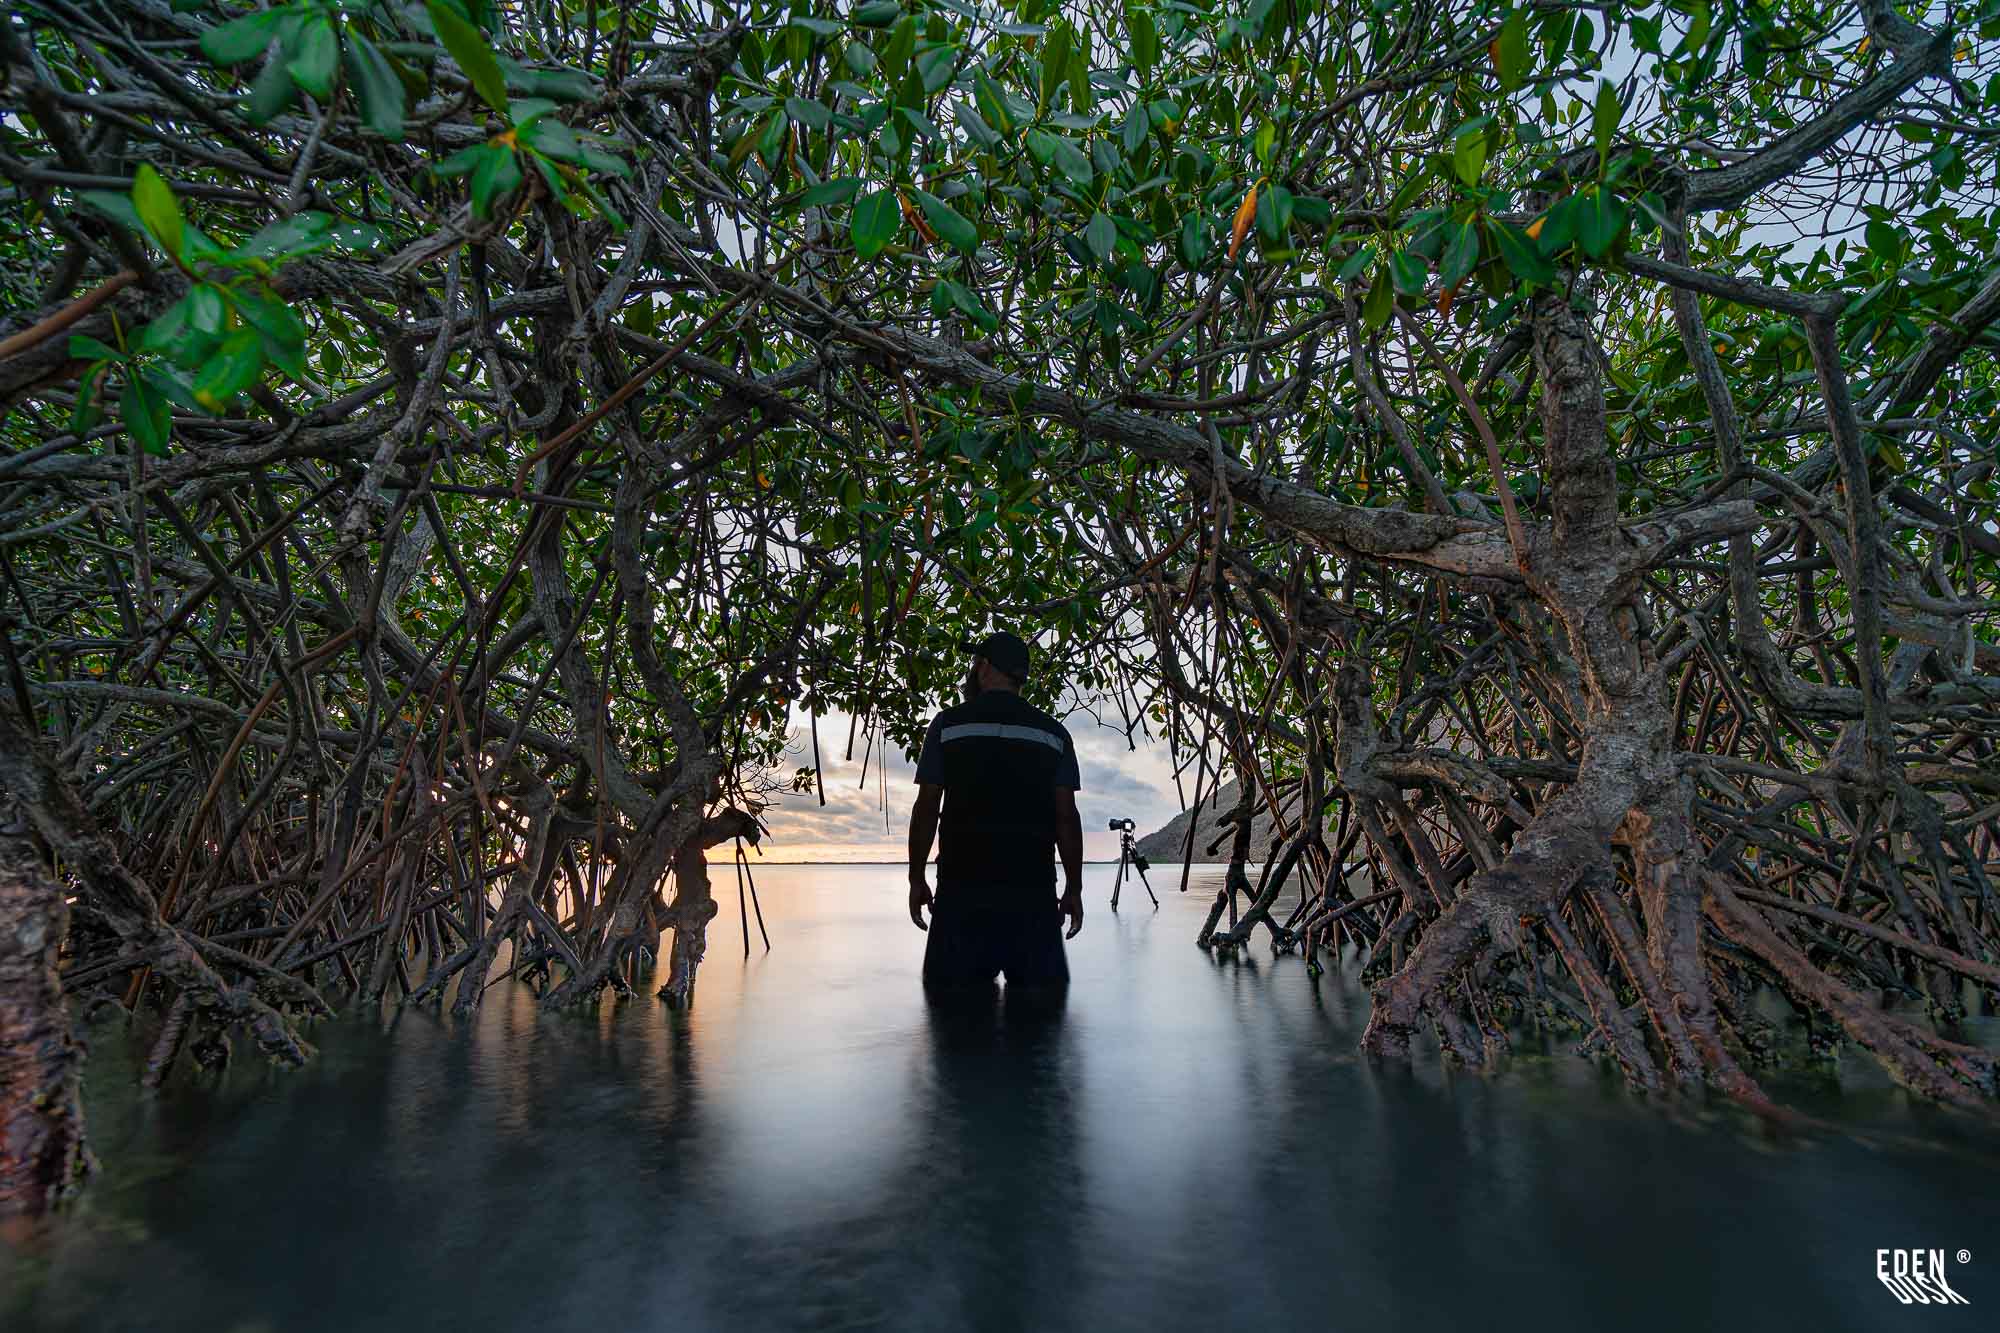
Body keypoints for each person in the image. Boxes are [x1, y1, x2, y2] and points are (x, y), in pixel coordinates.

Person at [907, 630, 1084, 992]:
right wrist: (1073, 889)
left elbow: (927, 809)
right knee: (1038, 1025)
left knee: (956, 1028)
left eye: (975, 663)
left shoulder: (947, 726)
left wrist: (916, 879)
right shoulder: (1054, 734)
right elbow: (1067, 818)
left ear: (984, 667)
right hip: (1032, 894)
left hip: (961, 893)